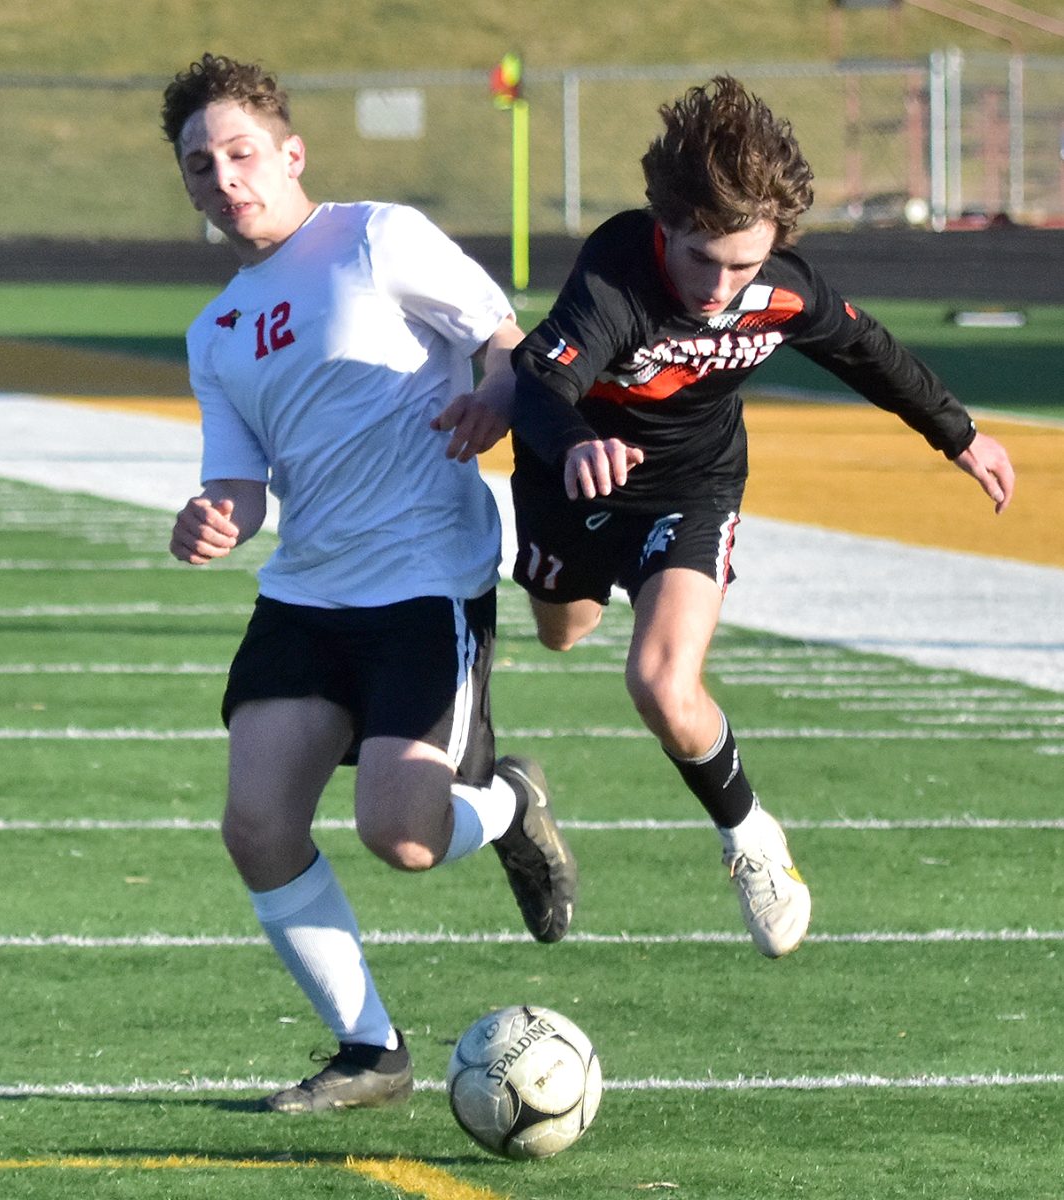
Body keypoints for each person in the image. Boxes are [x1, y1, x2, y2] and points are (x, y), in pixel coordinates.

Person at [508, 76, 1015, 959]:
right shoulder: (617, 275)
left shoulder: (779, 285)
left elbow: (865, 347)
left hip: (693, 485)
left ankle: (751, 839)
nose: (720, 285)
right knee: (562, 632)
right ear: (667, 225)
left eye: (744, 262)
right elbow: (540, 377)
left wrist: (958, 432)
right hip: (577, 481)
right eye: (702, 258)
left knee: (663, 683)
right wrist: (578, 441)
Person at [161, 53, 576, 1114]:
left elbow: (507, 342)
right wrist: (216, 517)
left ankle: (512, 802)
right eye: (200, 165)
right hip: (306, 592)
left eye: (241, 153)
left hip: (423, 583)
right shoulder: (215, 332)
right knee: (256, 827)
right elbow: (241, 485)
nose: (224, 178)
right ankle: (369, 1052)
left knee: (404, 838)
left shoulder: (375, 236)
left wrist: (493, 393)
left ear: (290, 153)